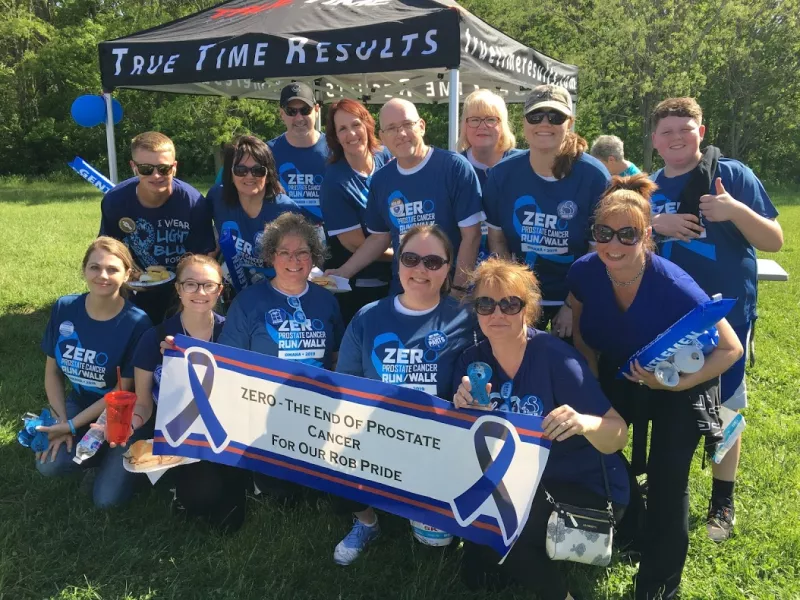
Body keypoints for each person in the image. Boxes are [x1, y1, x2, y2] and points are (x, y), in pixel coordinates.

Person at [566, 175, 743, 600]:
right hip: (618, 373)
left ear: (646, 235)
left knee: (668, 481)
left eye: (627, 234)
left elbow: (731, 349)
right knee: (594, 450)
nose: (613, 245)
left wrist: (676, 384)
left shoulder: (674, 283)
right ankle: (629, 531)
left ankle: (659, 583)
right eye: (604, 233)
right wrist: (588, 381)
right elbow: (581, 330)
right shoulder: (585, 272)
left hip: (678, 385)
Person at [451, 257, 629, 600]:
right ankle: (527, 552)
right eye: (486, 304)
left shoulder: (556, 358)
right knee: (477, 575)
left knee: (502, 529)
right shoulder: (472, 362)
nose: (497, 313)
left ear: (527, 309)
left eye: (509, 303)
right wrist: (464, 413)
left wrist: (584, 423)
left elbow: (618, 433)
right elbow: (466, 446)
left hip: (583, 482)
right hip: (520, 483)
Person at [649, 97, 783, 541]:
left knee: (725, 405)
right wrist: (654, 226)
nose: (676, 138)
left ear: (701, 132)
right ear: (654, 140)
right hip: (669, 315)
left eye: (685, 129)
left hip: (726, 315)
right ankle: (667, 486)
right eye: (666, 131)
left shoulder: (732, 175)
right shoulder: (650, 187)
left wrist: (736, 212)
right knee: (673, 397)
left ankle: (722, 499)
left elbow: (775, 240)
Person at [333, 224, 477, 565]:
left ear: (448, 269)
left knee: (435, 550)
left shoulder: (464, 320)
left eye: (433, 261)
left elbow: (479, 375)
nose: (421, 269)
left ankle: (418, 501)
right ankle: (367, 520)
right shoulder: (369, 317)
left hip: (437, 441)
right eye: (411, 258)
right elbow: (347, 385)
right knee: (331, 456)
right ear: (398, 263)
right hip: (375, 431)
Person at [219, 212, 344, 503]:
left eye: (302, 252)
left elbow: (336, 359)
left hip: (316, 409)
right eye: (284, 252)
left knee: (321, 491)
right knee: (281, 493)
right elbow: (229, 366)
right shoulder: (248, 302)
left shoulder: (327, 301)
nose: (294, 260)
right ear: (270, 256)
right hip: (264, 409)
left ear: (314, 257)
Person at [130, 254, 249, 532]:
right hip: (179, 435)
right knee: (200, 497)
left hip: (225, 430)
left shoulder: (233, 332)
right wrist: (131, 425)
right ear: (178, 289)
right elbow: (144, 402)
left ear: (220, 290)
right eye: (191, 284)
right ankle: (179, 487)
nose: (200, 292)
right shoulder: (155, 337)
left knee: (230, 520)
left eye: (209, 285)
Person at [483, 85, 610, 339]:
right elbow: (498, 241)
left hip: (577, 295)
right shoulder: (502, 174)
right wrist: (513, 298)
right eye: (536, 116)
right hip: (521, 295)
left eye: (555, 117)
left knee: (578, 372)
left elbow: (598, 251)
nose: (545, 123)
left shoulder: (594, 176)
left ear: (569, 123)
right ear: (524, 123)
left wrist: (572, 304)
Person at [34, 237, 152, 508]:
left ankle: (114, 459)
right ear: (84, 270)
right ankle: (93, 455)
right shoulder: (65, 308)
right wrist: (59, 419)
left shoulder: (137, 322)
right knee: (49, 465)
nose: (103, 275)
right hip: (80, 403)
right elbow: (53, 372)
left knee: (107, 500)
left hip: (119, 415)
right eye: (95, 267)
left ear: (127, 275)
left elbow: (120, 390)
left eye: (113, 269)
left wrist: (72, 427)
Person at [326, 98, 483, 296]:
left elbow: (472, 235)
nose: (400, 134)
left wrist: (459, 290)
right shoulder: (382, 180)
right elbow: (379, 237)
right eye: (391, 128)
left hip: (447, 290)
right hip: (402, 292)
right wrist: (343, 272)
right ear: (382, 136)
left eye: (407, 125)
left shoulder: (454, 168)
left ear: (422, 126)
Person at [99, 131, 216, 324]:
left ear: (174, 167)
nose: (156, 175)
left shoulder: (193, 203)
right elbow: (108, 249)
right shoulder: (115, 201)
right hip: (133, 285)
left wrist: (182, 283)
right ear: (134, 167)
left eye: (163, 168)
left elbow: (205, 257)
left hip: (181, 288)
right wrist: (129, 276)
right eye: (146, 169)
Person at [320, 98, 394, 324]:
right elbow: (355, 244)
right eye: (342, 129)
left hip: (398, 277)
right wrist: (408, 255)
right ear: (335, 137)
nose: (351, 134)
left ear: (367, 126)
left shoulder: (385, 157)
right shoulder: (334, 182)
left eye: (355, 125)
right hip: (360, 287)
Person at [208, 135, 302, 292]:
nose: (249, 176)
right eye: (240, 170)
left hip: (278, 289)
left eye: (258, 170)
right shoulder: (217, 197)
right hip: (230, 287)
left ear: (268, 174)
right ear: (230, 174)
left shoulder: (285, 210)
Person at [458, 89, 523, 265]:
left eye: (491, 119)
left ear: (502, 126)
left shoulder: (523, 164)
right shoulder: (454, 167)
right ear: (464, 125)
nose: (482, 126)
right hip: (465, 267)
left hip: (515, 266)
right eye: (474, 120)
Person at [268, 82, 329, 226]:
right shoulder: (267, 152)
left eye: (305, 110)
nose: (299, 118)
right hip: (285, 236)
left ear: (316, 110)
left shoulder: (335, 147)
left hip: (331, 235)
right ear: (282, 114)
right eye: (291, 111)